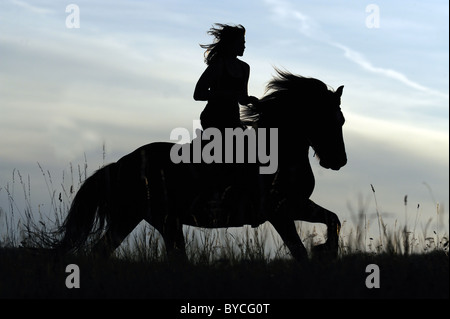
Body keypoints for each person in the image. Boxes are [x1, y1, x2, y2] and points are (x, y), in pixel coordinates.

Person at [194, 24, 259, 131]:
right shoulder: (218, 65)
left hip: (233, 118)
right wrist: (224, 94)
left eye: (244, 43)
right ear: (231, 43)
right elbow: (198, 94)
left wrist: (251, 100)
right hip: (213, 118)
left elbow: (242, 98)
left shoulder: (244, 68)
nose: (244, 46)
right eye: (241, 43)